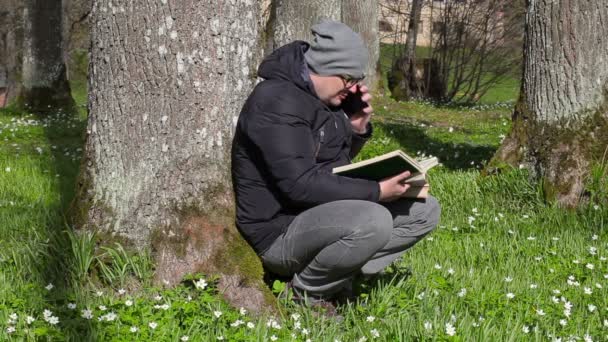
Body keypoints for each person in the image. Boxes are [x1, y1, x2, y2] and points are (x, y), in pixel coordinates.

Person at [231, 20, 440, 310]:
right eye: (348, 78)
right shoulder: (275, 101)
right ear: (326, 68)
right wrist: (378, 191)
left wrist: (355, 129)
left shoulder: (323, 101)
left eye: (357, 80)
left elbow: (333, 168)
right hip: (278, 231)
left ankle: (339, 275)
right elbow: (300, 185)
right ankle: (306, 294)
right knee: (373, 220)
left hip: (314, 215)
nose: (353, 88)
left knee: (424, 210)